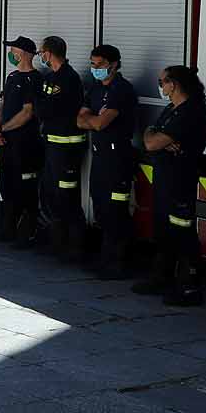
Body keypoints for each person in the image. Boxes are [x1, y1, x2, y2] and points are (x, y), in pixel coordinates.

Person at [134, 65, 206, 306]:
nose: (160, 86)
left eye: (162, 82)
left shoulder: (191, 111)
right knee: (163, 230)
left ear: (173, 84)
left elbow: (153, 143)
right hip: (165, 178)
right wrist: (155, 135)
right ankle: (161, 278)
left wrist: (157, 139)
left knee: (182, 232)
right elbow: (152, 137)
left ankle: (189, 287)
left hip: (180, 180)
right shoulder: (171, 109)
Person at [77, 44, 137, 276]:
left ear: (113, 64)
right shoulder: (94, 89)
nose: (95, 68)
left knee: (116, 211)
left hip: (118, 158)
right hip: (100, 156)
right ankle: (105, 259)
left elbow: (101, 123)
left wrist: (93, 119)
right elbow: (80, 121)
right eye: (92, 64)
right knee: (101, 207)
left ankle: (118, 264)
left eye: (99, 64)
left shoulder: (121, 90)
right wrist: (95, 118)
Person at [31, 35, 86, 257]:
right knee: (52, 195)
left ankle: (75, 248)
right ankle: (57, 244)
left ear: (49, 53)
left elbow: (47, 110)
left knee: (67, 199)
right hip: (53, 145)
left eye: (41, 52)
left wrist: (36, 99)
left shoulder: (67, 78)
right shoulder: (52, 77)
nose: (41, 56)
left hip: (67, 148)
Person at [0, 36, 44, 245]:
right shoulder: (11, 77)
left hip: (25, 144)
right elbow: (2, 106)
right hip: (6, 143)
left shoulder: (35, 79)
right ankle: (6, 229)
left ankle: (26, 232)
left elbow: (27, 113)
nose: (11, 53)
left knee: (26, 188)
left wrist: (3, 129)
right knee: (7, 184)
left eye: (14, 50)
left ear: (24, 53)